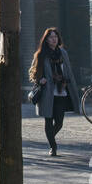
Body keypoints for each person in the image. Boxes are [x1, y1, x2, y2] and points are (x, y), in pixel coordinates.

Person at [29, 27, 83, 157]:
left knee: (59, 121)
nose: (54, 39)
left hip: (61, 90)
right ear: (46, 40)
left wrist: (68, 82)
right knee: (49, 120)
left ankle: (50, 137)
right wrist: (39, 79)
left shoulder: (63, 53)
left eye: (55, 37)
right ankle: (53, 147)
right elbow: (32, 72)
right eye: (51, 37)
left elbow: (68, 70)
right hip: (48, 92)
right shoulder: (41, 54)